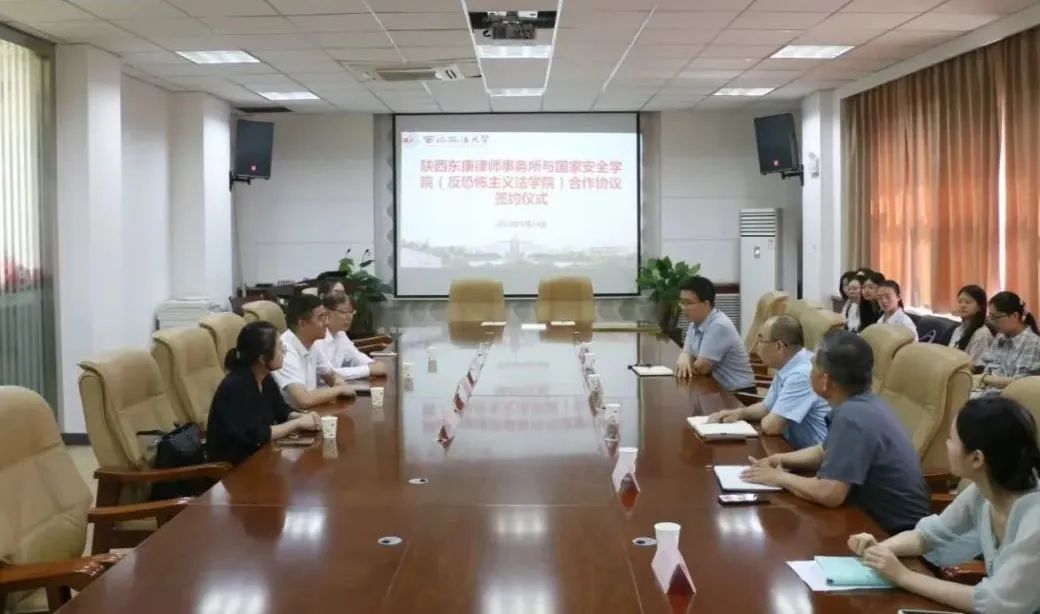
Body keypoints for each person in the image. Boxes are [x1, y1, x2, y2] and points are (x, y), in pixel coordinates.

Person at [847, 396, 1040, 613]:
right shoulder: (983, 493)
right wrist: (879, 550)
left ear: (976, 459)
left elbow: (996, 603)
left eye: (952, 439)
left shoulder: (1035, 522)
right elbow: (929, 536)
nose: (947, 444)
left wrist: (903, 576)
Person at [742, 330, 930, 535]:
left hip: (891, 534)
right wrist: (780, 459)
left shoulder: (852, 416)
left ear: (825, 380)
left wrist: (779, 478)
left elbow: (830, 493)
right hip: (873, 521)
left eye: (814, 363)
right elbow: (824, 451)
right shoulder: (866, 403)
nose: (809, 367)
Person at [705, 315, 830, 449]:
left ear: (778, 346)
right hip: (794, 447)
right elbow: (766, 407)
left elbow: (772, 426)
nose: (755, 347)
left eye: (760, 340)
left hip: (818, 457)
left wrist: (767, 417)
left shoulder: (801, 374)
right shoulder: (788, 364)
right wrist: (739, 413)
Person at [206, 321, 321, 465]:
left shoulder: (264, 376)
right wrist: (297, 424)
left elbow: (280, 409)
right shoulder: (237, 386)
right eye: (280, 348)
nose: (283, 352)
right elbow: (257, 435)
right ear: (262, 358)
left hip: (260, 456)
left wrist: (300, 416)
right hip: (234, 466)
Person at [272, 294, 355, 409]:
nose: (327, 322)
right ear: (302, 323)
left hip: (312, 412)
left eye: (326, 316)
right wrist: (339, 389)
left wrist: (339, 382)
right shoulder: (284, 349)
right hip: (292, 416)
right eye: (321, 318)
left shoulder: (312, 343)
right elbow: (304, 400)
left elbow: (331, 374)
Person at [675, 275, 755, 393]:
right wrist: (684, 357)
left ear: (706, 304)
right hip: (716, 389)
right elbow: (686, 352)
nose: (683, 308)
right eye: (682, 302)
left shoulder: (719, 325)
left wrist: (685, 360)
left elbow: (702, 368)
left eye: (688, 303)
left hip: (739, 394)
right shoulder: (694, 323)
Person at [973, 291, 1040, 397]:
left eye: (996, 317)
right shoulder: (1001, 336)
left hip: (1010, 399)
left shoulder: (1033, 343)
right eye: (990, 317)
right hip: (987, 392)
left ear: (1014, 316)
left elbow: (1021, 383)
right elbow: (989, 365)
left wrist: (985, 378)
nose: (992, 322)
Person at [316, 293, 388, 380]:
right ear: (326, 313)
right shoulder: (317, 337)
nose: (349, 317)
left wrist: (372, 364)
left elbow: (354, 356)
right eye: (344, 312)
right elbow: (327, 375)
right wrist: (368, 370)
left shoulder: (340, 333)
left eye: (351, 312)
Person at [949, 284, 993, 369]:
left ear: (980, 307)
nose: (962, 305)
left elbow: (975, 367)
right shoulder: (959, 329)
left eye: (967, 302)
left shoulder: (982, 333)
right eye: (960, 301)